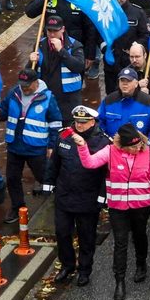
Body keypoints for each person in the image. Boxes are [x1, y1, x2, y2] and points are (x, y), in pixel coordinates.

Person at [74, 123, 150, 300]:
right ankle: (119, 281)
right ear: (124, 146)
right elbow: (90, 163)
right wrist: (82, 146)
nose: (138, 149)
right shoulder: (110, 151)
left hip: (142, 205)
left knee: (139, 235)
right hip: (118, 206)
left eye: (139, 145)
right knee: (120, 242)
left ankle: (141, 263)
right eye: (134, 147)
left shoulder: (146, 151)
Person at [44, 106, 112, 287]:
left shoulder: (102, 142)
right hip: (64, 195)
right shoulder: (65, 136)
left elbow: (106, 174)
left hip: (87, 198)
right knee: (62, 232)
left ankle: (84, 269)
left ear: (93, 121)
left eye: (83, 122)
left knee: (86, 236)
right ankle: (67, 265)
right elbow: (54, 163)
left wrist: (102, 196)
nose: (79, 126)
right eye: (77, 122)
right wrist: (49, 183)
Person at [0, 69, 63, 225]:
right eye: (22, 85)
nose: (24, 88)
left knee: (44, 176)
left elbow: (56, 123)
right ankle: (18, 207)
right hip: (14, 146)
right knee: (12, 178)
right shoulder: (14, 93)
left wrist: (52, 145)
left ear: (36, 82)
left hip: (36, 147)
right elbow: (4, 112)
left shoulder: (47, 97)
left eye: (27, 85)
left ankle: (60, 201)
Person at [31, 15, 86, 124]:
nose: (51, 34)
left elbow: (79, 67)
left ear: (63, 29)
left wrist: (61, 50)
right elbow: (31, 73)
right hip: (45, 97)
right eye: (49, 31)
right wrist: (31, 62)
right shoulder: (39, 44)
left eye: (55, 31)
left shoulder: (74, 45)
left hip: (67, 100)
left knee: (66, 133)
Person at [104, 0, 150, 94]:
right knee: (112, 92)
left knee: (131, 90)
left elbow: (145, 35)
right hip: (111, 57)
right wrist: (105, 48)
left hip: (130, 59)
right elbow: (98, 33)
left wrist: (135, 47)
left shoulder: (137, 12)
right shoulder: (105, 11)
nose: (119, 0)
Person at [98, 67, 150, 141]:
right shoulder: (108, 101)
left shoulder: (149, 103)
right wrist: (109, 143)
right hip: (113, 148)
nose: (125, 84)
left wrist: (146, 145)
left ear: (136, 83)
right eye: (122, 81)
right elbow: (99, 124)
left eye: (128, 81)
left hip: (140, 149)